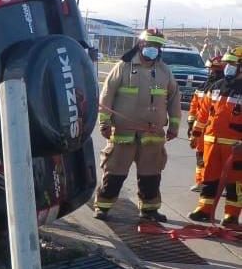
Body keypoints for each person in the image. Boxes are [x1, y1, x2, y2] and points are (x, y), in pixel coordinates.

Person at [94, 29, 181, 222]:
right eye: (151, 45)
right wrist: (104, 122)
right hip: (124, 134)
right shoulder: (123, 67)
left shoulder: (164, 71)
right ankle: (103, 207)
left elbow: (174, 99)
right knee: (114, 173)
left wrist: (174, 126)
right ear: (141, 45)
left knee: (151, 175)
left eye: (158, 46)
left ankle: (149, 210)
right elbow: (106, 95)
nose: (154, 49)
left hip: (153, 136)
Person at [189, 47, 242, 226]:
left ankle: (231, 215)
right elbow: (203, 114)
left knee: (235, 183)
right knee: (209, 178)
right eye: (227, 64)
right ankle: (205, 209)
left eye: (232, 64)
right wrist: (196, 134)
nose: (228, 67)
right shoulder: (216, 88)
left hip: (236, 147)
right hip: (211, 142)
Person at [187, 56, 225, 192]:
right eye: (211, 70)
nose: (212, 73)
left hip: (216, 130)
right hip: (202, 129)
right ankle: (200, 182)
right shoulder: (202, 88)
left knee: (217, 160)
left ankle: (219, 184)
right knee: (200, 156)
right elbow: (194, 108)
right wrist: (191, 126)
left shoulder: (227, 89)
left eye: (216, 70)